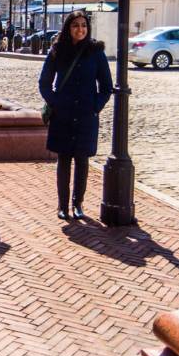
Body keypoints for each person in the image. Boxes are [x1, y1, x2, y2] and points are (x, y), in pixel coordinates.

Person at [38, 11, 113, 220]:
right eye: (75, 25)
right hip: (63, 113)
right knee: (64, 160)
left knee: (82, 160)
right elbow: (44, 83)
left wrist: (95, 107)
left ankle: (78, 204)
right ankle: (62, 205)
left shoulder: (96, 52)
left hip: (86, 115)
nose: (80, 29)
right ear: (68, 28)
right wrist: (55, 102)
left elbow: (106, 86)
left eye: (83, 25)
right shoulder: (57, 51)